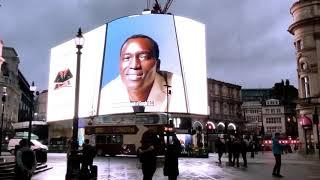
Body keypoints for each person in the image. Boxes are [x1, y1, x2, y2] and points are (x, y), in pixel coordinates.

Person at [99, 34, 186, 114]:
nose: (134, 65)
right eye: (127, 58)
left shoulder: (181, 90)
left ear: (157, 65)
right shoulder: (106, 96)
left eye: (143, 57)